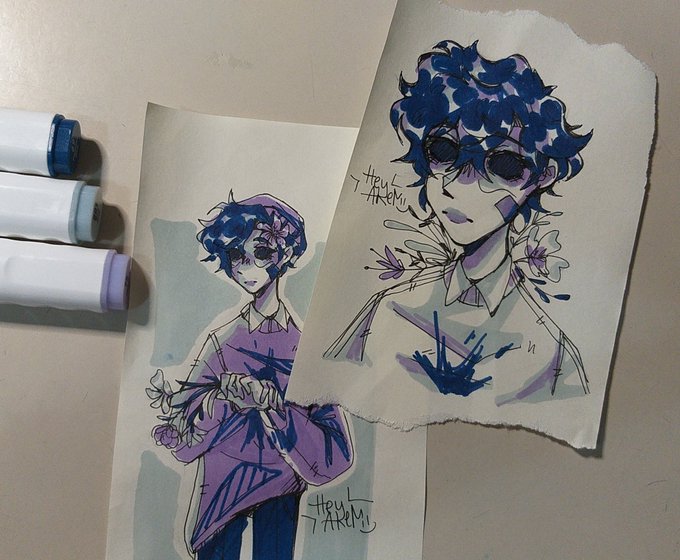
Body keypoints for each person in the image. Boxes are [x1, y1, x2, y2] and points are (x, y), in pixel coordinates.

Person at [325, 41, 593, 409]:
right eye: (443, 151)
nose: (461, 186)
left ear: (542, 177)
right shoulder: (389, 308)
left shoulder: (551, 355)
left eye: (503, 166)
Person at [150, 193, 353, 560]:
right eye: (236, 256)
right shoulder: (223, 342)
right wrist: (224, 400)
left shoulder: (304, 349)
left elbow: (335, 453)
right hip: (221, 496)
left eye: (260, 252)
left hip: (281, 495)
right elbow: (182, 441)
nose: (247, 267)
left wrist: (276, 410)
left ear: (285, 254)